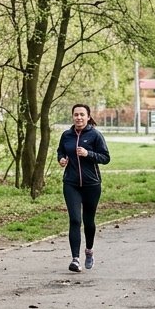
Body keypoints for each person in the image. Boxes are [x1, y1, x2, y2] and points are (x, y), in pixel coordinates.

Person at [57, 103, 111, 272]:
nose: (78, 117)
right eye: (76, 115)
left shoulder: (95, 135)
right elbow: (60, 151)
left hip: (91, 185)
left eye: (82, 114)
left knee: (88, 222)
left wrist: (89, 154)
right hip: (71, 183)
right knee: (74, 220)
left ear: (88, 117)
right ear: (72, 117)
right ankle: (75, 259)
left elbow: (106, 157)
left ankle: (88, 251)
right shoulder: (66, 135)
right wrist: (62, 160)